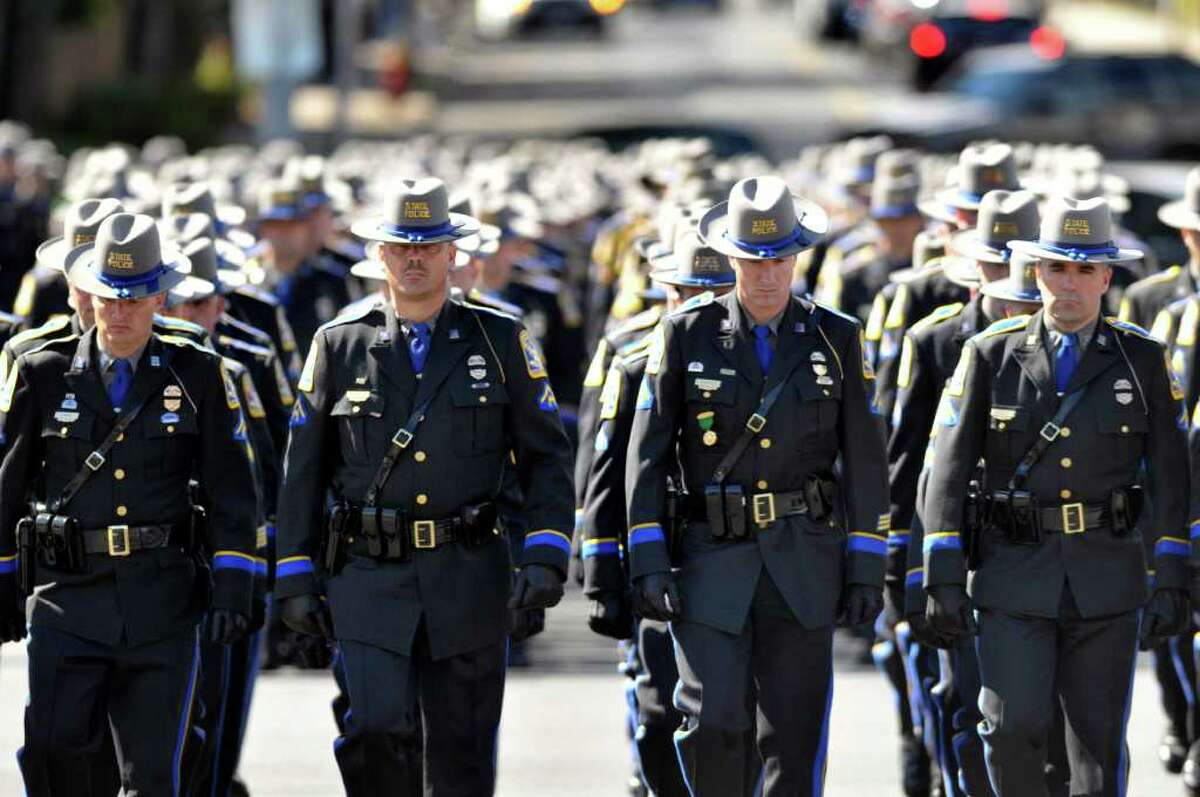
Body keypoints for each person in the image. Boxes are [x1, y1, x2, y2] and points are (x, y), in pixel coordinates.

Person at [272, 177, 574, 795]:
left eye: (429, 246)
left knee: (460, 751)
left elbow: (545, 457)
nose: (414, 258)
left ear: (453, 253)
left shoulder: (501, 339)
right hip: (366, 575)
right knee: (375, 731)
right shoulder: (340, 344)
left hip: (467, 573)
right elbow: (303, 469)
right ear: (380, 254)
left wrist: (545, 551)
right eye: (401, 246)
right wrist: (296, 574)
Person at [625, 175, 889, 795]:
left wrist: (866, 566)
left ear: (797, 257)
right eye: (752, 258)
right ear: (732, 257)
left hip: (803, 560)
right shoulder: (684, 333)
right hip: (710, 558)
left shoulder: (837, 336)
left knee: (793, 739)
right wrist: (647, 559)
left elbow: (865, 460)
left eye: (778, 258)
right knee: (710, 722)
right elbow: (649, 453)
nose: (766, 273)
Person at [923, 196, 1192, 796]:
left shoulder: (1142, 358)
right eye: (1056, 269)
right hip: (1013, 571)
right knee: (1011, 728)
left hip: (1106, 576)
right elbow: (947, 466)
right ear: (1037, 272)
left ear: (1105, 276)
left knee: (1096, 746)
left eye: (1083, 270)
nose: (1068, 285)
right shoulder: (991, 353)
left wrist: (1173, 570)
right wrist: (940, 571)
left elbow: (1173, 476)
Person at [0, 212, 258, 795]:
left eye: (133, 299)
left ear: (159, 297)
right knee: (54, 754)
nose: (117, 313)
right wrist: (3, 584)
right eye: (107, 297)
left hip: (161, 602)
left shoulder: (198, 372)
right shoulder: (42, 371)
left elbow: (232, 490)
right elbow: (8, 484)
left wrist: (233, 585)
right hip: (68, 596)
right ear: (87, 291)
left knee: (152, 777)